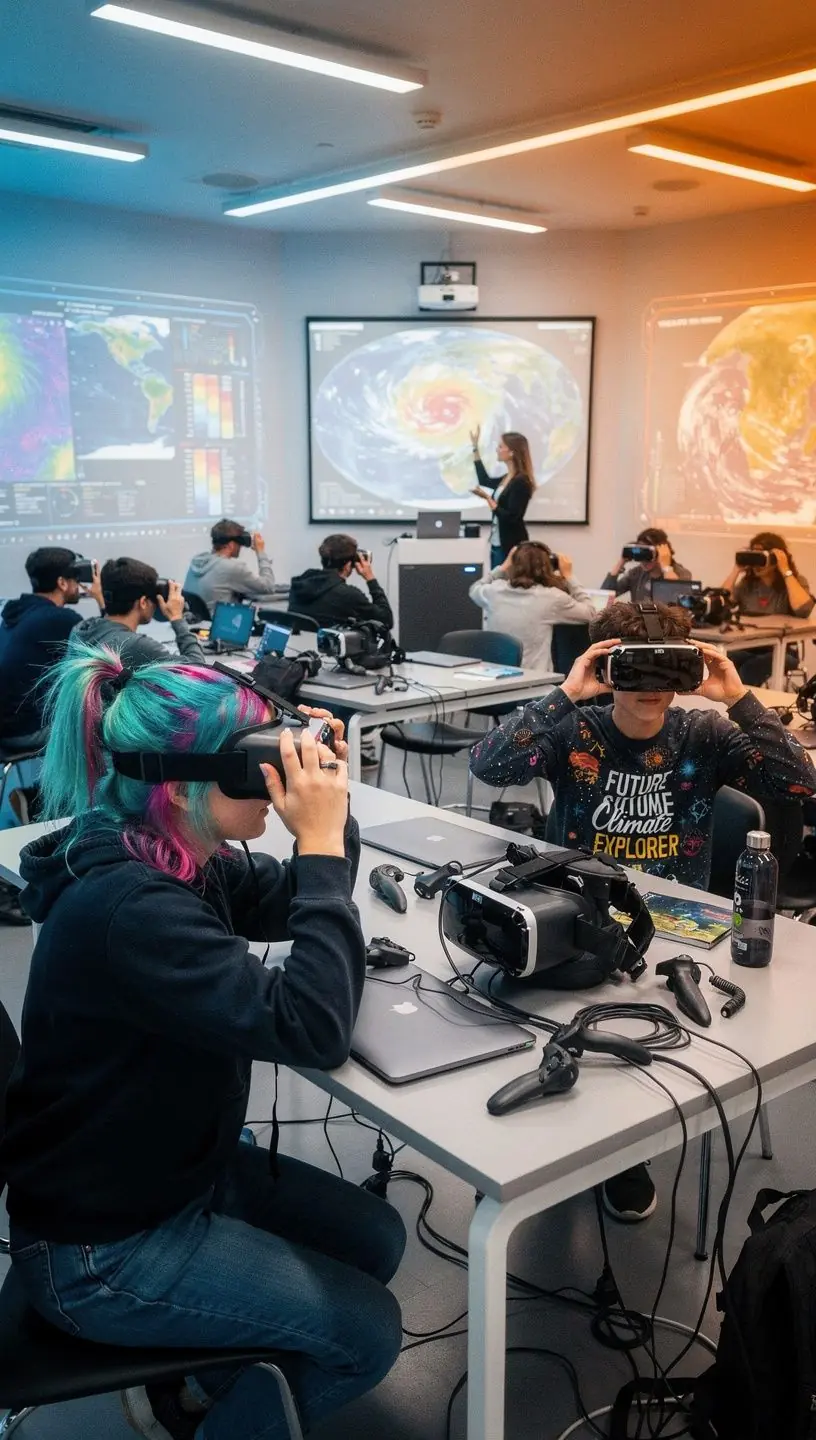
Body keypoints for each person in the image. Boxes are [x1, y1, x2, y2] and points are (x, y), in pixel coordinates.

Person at [0, 647, 405, 1440]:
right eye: (261, 763)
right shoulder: (130, 908)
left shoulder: (166, 851)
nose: (276, 781)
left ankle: (206, 1366)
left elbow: (292, 904)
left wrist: (332, 812)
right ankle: (216, 1412)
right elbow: (312, 1027)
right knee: (369, 1335)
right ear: (187, 778)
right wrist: (317, 846)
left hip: (167, 1171)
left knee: (378, 1237)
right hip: (104, 1246)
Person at [470, 600, 814, 1222]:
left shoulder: (703, 734)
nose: (651, 688)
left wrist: (735, 696)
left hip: (670, 929)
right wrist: (566, 692)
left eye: (668, 669)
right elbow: (488, 766)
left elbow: (799, 784)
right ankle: (550, 1135)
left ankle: (623, 1154)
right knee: (529, 1013)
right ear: (606, 668)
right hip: (574, 914)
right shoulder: (576, 730)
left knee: (643, 1043)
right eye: (635, 670)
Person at [468, 542, 596, 671]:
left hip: (495, 677)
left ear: (513, 564)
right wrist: (569, 576)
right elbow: (591, 613)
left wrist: (502, 568)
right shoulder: (552, 598)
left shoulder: (493, 591)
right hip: (534, 680)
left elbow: (474, 588)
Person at [71, 556, 207, 667]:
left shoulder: (82, 630)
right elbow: (199, 672)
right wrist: (177, 618)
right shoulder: (136, 646)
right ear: (143, 602)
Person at [721, 532, 814, 686]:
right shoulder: (747, 584)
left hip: (783, 650)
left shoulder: (794, 582)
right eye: (754, 556)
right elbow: (722, 602)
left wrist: (785, 570)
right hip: (749, 645)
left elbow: (803, 610)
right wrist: (736, 570)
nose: (757, 564)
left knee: (750, 669)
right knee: (724, 660)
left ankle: (745, 706)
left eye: (762, 557)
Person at [289, 534, 394, 630]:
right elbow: (386, 621)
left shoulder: (299, 584)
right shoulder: (349, 595)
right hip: (331, 650)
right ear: (348, 565)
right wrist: (370, 578)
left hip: (300, 649)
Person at [470, 426, 536, 568]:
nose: (497, 450)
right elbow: (484, 480)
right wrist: (475, 448)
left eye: (501, 446)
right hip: (496, 542)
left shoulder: (521, 482)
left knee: (504, 585)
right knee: (496, 585)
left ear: (512, 452)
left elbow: (512, 517)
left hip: (510, 545)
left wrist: (489, 500)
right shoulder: (507, 478)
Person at [184, 518, 277, 614]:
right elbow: (268, 586)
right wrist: (260, 552)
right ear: (231, 545)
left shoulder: (197, 562)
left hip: (197, 626)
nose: (241, 547)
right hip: (222, 626)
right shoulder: (232, 568)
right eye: (239, 544)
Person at [602, 528, 691, 603]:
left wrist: (666, 567)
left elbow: (680, 601)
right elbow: (604, 598)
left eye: (648, 554)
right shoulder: (636, 573)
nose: (644, 561)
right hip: (640, 622)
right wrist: (621, 562)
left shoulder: (681, 573)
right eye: (641, 554)